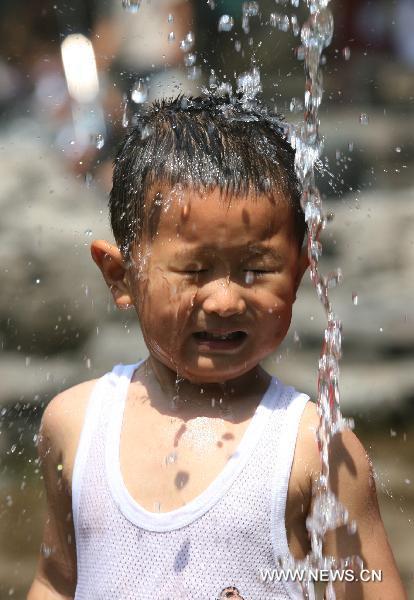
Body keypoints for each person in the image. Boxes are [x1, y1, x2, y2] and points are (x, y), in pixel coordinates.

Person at [28, 94, 406, 599]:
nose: (225, 300)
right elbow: (57, 579)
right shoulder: (74, 425)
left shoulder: (314, 450)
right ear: (121, 278)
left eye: (257, 269)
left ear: (298, 273)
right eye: (195, 270)